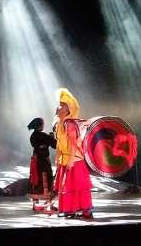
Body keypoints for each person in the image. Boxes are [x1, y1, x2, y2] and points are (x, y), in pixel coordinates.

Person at [53, 88, 93, 219]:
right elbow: (59, 142)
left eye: (62, 105)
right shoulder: (59, 124)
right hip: (64, 159)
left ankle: (85, 209)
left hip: (74, 160)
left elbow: (73, 144)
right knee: (67, 187)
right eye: (59, 104)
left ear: (67, 110)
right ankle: (70, 209)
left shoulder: (69, 124)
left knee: (76, 186)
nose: (58, 107)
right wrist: (57, 156)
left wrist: (70, 160)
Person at [27, 117, 57, 212]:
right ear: (40, 126)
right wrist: (52, 137)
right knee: (47, 180)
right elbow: (55, 145)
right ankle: (49, 204)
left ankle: (35, 204)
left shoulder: (32, 136)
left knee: (35, 180)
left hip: (35, 160)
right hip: (43, 161)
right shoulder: (43, 136)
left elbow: (38, 146)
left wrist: (46, 143)